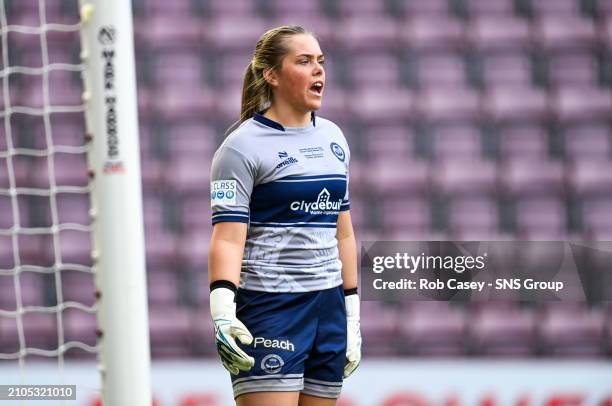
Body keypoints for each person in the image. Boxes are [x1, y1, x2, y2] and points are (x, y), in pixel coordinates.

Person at [208, 25, 362, 406]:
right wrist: (223, 312)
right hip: (271, 309)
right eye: (305, 61)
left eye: (321, 62)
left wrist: (352, 313)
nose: (319, 71)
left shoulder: (334, 139)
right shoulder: (240, 148)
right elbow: (228, 237)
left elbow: (343, 232)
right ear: (271, 75)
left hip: (328, 309)